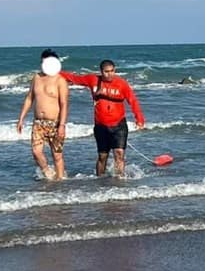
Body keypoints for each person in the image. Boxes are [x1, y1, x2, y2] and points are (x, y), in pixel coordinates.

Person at [60, 59, 145, 176]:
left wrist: (139, 119)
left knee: (119, 154)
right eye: (106, 72)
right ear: (101, 71)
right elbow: (74, 78)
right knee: (102, 156)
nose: (109, 74)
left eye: (112, 71)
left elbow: (133, 101)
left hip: (119, 125)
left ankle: (119, 180)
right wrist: (54, 71)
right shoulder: (93, 80)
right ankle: (99, 181)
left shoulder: (122, 84)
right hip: (101, 126)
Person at [17, 49, 69, 180]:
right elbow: (29, 98)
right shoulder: (37, 78)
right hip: (38, 123)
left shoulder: (60, 81)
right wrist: (21, 118)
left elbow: (64, 104)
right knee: (36, 152)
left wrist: (62, 125)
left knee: (57, 155)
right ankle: (48, 174)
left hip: (55, 122)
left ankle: (60, 181)